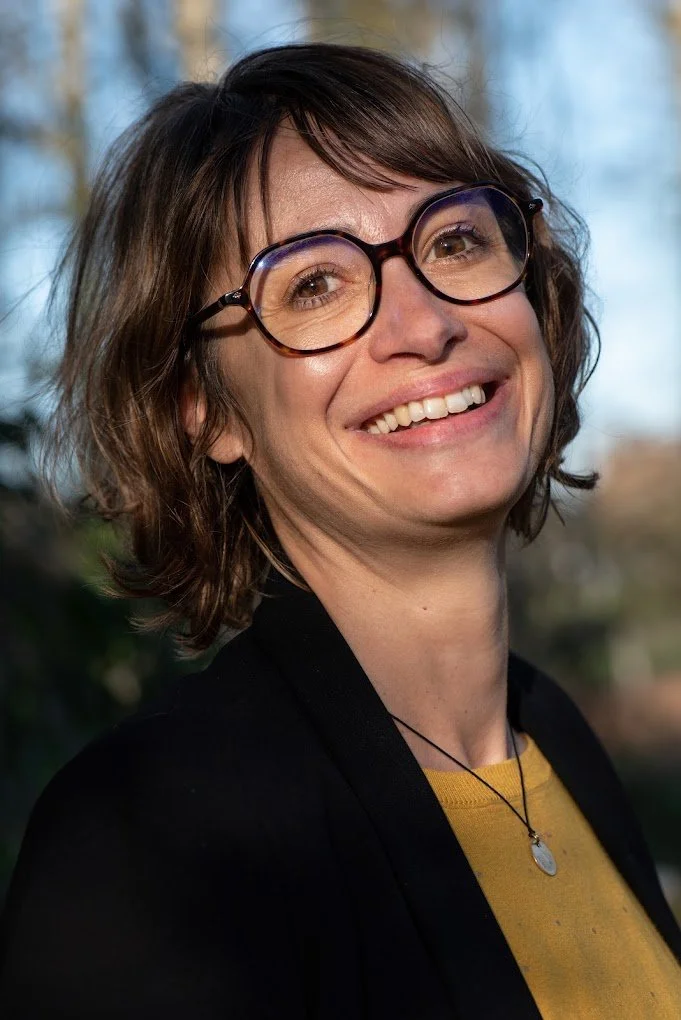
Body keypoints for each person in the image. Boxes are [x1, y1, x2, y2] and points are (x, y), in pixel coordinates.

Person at [0, 41, 680, 1019]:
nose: (424, 322)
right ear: (208, 410)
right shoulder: (153, 842)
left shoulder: (556, 740)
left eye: (454, 241)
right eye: (312, 284)